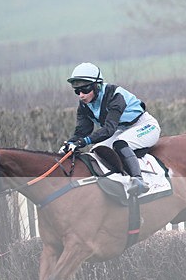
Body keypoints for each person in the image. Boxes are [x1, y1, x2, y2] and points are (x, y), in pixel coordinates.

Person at [60, 62, 160, 193]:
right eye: (77, 91)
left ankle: (138, 180)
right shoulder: (84, 105)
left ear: (97, 86)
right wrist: (70, 143)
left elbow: (108, 130)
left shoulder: (115, 96)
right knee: (96, 150)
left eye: (85, 90)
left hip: (144, 125)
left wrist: (82, 142)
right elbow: (82, 132)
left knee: (120, 143)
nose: (81, 95)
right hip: (122, 129)